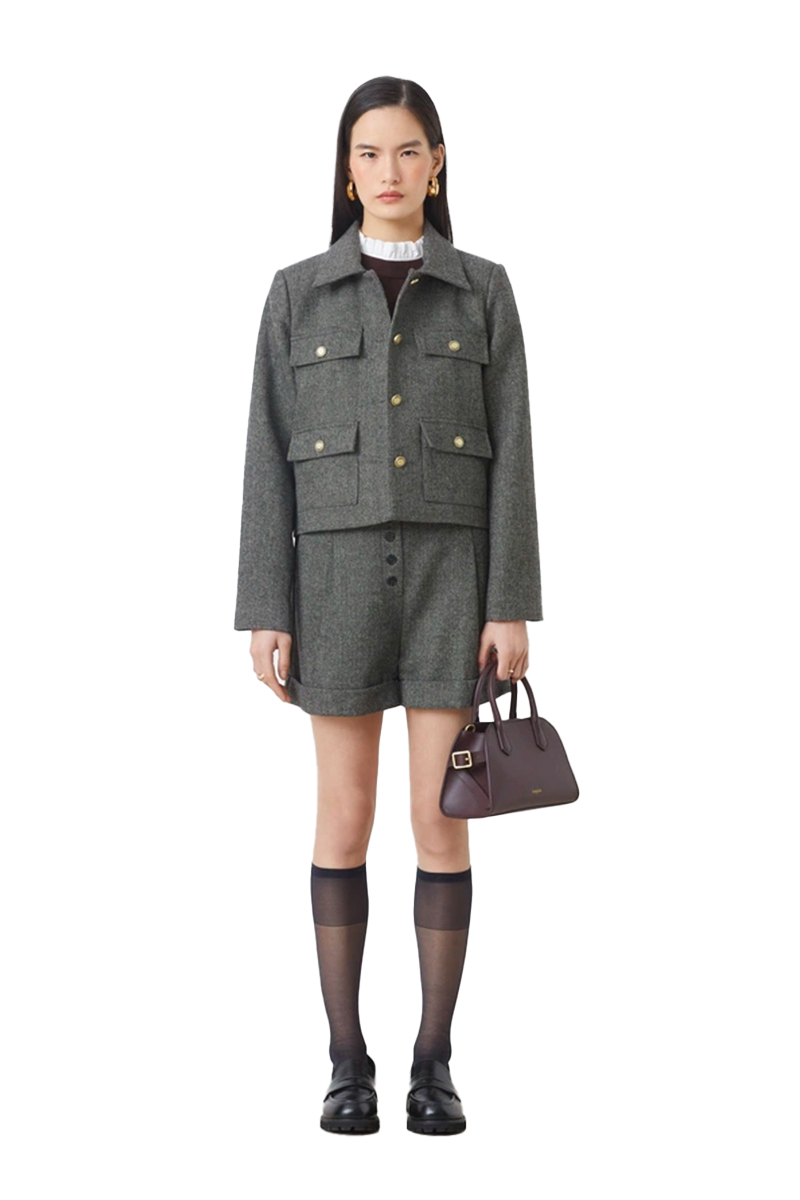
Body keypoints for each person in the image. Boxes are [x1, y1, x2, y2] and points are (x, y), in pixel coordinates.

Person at [234, 76, 543, 1135]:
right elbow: (266, 457)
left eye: (408, 151)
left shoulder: (483, 290)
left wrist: (510, 601)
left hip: (455, 579)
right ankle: (344, 1063)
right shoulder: (296, 293)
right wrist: (266, 605)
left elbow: (515, 453)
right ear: (346, 169)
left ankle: (432, 1063)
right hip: (330, 583)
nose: (388, 171)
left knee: (439, 820)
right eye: (368, 153)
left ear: (437, 163)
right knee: (343, 815)